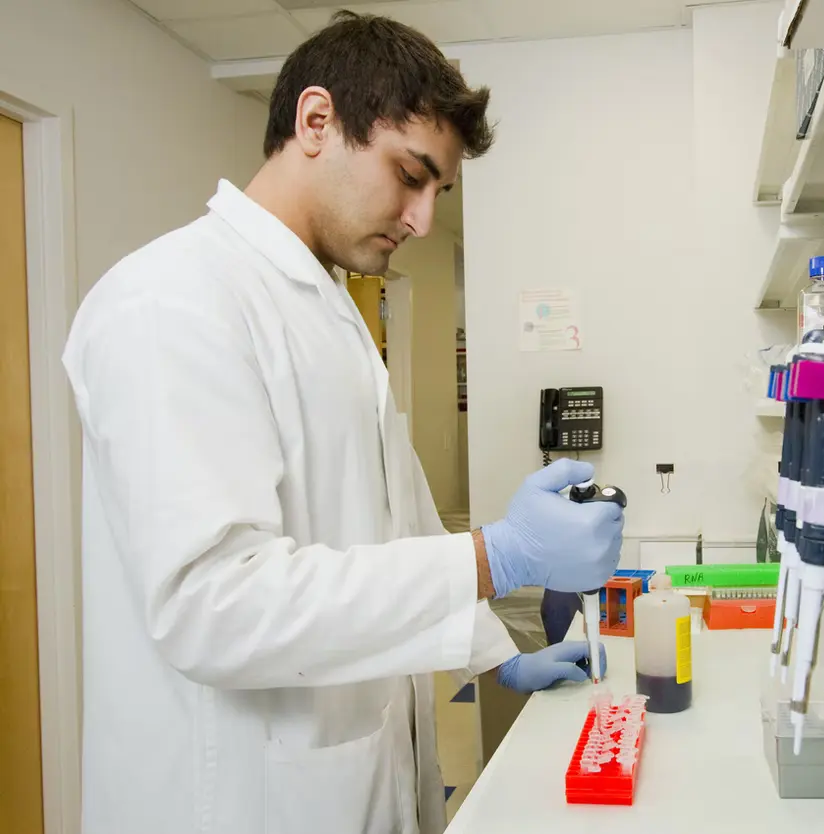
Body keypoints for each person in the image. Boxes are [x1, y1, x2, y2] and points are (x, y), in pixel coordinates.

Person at [61, 11, 625, 834]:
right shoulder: (171, 302)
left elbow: (392, 528)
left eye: (439, 191)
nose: (423, 219)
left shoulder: (332, 313)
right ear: (317, 120)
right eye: (411, 174)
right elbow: (214, 604)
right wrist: (493, 556)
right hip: (235, 803)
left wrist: (498, 654)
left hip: (356, 785)